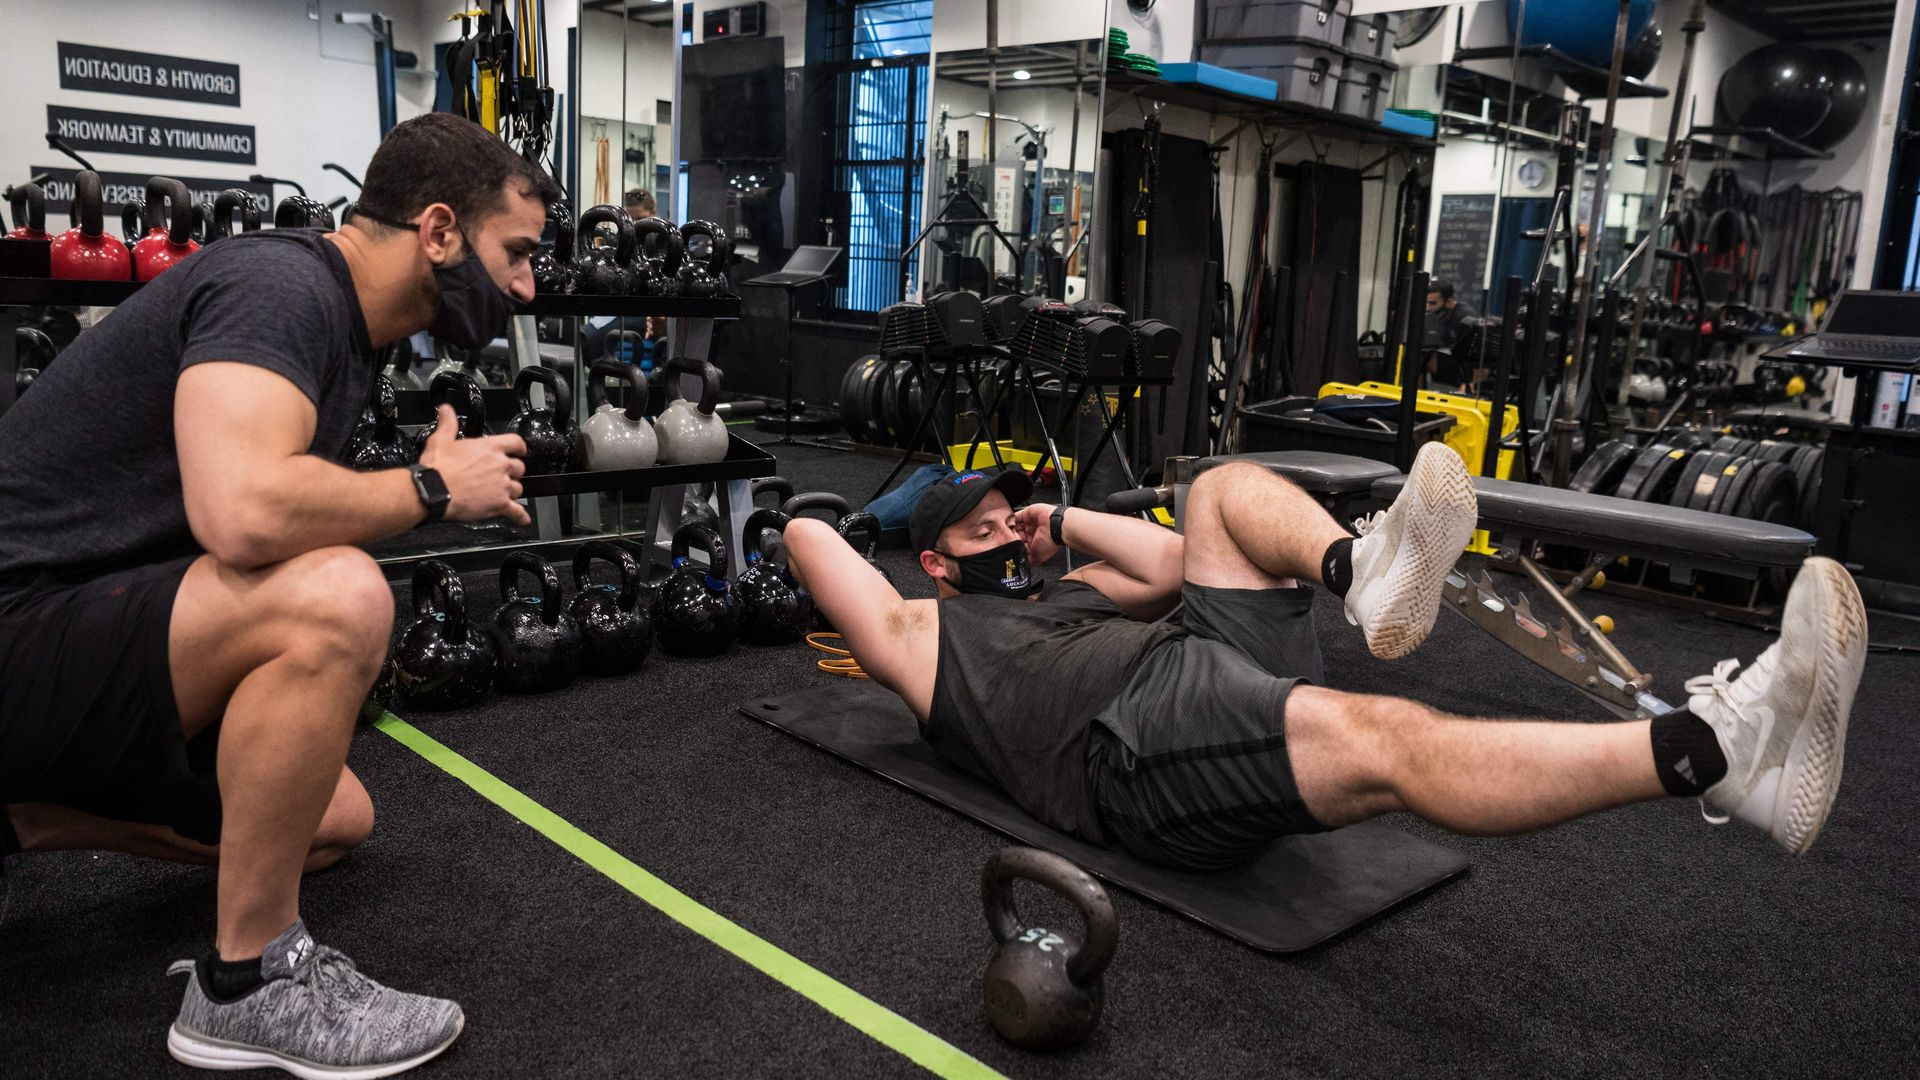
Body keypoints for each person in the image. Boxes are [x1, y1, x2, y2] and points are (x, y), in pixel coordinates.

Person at [0, 113, 552, 1076]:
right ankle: (246, 986)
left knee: (330, 823)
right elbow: (243, 513)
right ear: (438, 231)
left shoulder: (348, 326)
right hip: (20, 629)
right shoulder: (282, 285)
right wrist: (429, 491)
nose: (525, 286)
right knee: (337, 595)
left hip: (90, 626)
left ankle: (24, 816)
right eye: (516, 253)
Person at [782, 448, 1866, 872]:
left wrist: (1055, 520)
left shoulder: (1067, 586)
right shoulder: (924, 637)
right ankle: (1714, 752)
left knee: (1214, 489)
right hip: (1127, 748)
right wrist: (882, 512)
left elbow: (1167, 554)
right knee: (1381, 736)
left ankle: (1364, 570)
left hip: (1182, 655)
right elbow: (804, 538)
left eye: (1008, 520)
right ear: (932, 563)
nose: (1005, 537)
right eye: (983, 533)